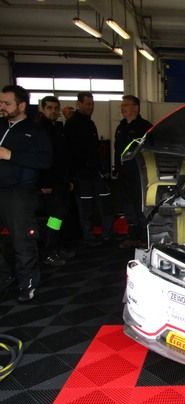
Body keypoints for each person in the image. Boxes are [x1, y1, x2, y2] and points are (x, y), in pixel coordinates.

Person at [0, 85, 52, 302]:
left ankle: (27, 284)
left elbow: (45, 161)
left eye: (7, 103)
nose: (2, 107)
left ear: (21, 105)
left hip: (20, 194)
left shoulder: (35, 131)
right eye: (0, 103)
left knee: (22, 241)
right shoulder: (1, 126)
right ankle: (4, 277)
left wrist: (11, 155)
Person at [64, 92, 113, 245]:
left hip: (95, 172)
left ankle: (106, 234)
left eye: (92, 104)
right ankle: (87, 236)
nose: (90, 107)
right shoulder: (72, 124)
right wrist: (71, 176)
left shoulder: (90, 123)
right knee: (85, 207)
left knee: (105, 202)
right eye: (87, 104)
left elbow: (94, 149)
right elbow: (69, 151)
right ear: (79, 104)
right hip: (81, 174)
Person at [37, 96, 74, 266]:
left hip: (61, 181)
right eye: (49, 108)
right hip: (50, 184)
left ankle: (56, 247)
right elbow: (41, 159)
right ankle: (48, 251)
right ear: (43, 109)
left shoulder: (57, 128)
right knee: (54, 218)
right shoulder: (40, 129)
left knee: (59, 217)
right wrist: (44, 183)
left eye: (55, 108)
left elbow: (63, 156)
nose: (53, 111)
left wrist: (68, 180)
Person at [114, 95, 152, 248]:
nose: (123, 108)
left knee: (140, 205)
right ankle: (132, 235)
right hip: (124, 174)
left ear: (135, 108)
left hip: (139, 174)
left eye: (126, 105)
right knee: (128, 205)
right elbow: (117, 150)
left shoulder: (145, 127)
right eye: (122, 105)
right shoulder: (121, 127)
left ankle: (144, 236)